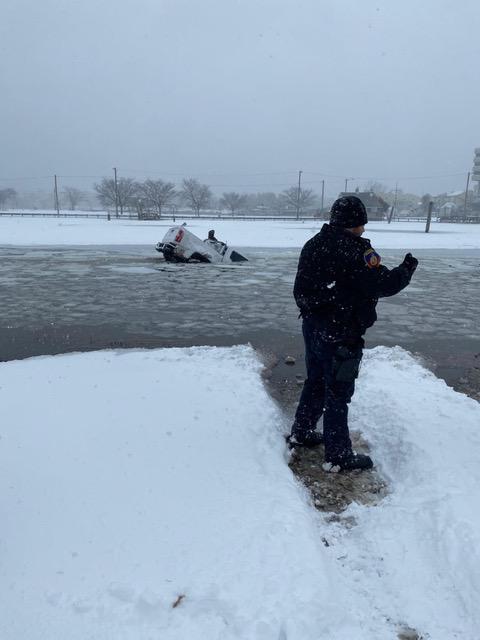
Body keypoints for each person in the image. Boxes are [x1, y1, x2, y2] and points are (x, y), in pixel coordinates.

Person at [288, 195, 418, 471]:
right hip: (341, 331)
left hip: (313, 326)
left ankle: (301, 432)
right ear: (355, 222)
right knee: (338, 392)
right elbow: (382, 284)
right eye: (362, 222)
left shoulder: (314, 244)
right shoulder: (353, 251)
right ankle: (338, 456)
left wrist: (321, 307)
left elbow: (301, 290)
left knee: (316, 381)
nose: (364, 228)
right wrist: (406, 270)